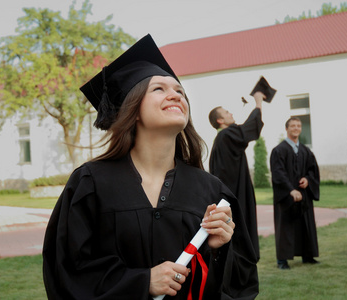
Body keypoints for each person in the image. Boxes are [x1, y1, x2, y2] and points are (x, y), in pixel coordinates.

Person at [42, 34, 259, 299]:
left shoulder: (210, 191)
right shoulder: (91, 184)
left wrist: (217, 250)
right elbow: (67, 273)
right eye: (159, 89)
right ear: (132, 109)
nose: (175, 95)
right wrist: (141, 281)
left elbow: (241, 284)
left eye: (179, 91)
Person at [208, 92, 265, 261]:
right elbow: (246, 131)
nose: (231, 113)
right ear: (220, 121)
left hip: (231, 195)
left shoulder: (222, 139)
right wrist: (258, 104)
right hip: (235, 196)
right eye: (226, 113)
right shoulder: (226, 136)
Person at [269, 117, 320, 270]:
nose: (296, 128)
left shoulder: (305, 150)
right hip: (286, 196)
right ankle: (282, 260)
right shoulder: (279, 150)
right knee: (285, 226)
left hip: (303, 194)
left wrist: (307, 179)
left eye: (298, 126)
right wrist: (291, 190)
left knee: (306, 224)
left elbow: (313, 170)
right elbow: (278, 173)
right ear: (287, 129)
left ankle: (307, 255)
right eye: (293, 126)